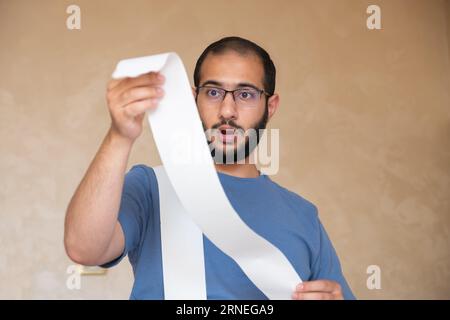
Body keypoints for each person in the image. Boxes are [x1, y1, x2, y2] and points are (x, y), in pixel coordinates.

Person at [64, 36, 355, 300]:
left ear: (271, 105)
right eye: (214, 92)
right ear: (193, 100)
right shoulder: (150, 187)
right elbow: (84, 249)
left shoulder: (304, 217)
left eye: (246, 94)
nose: (227, 111)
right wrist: (119, 136)